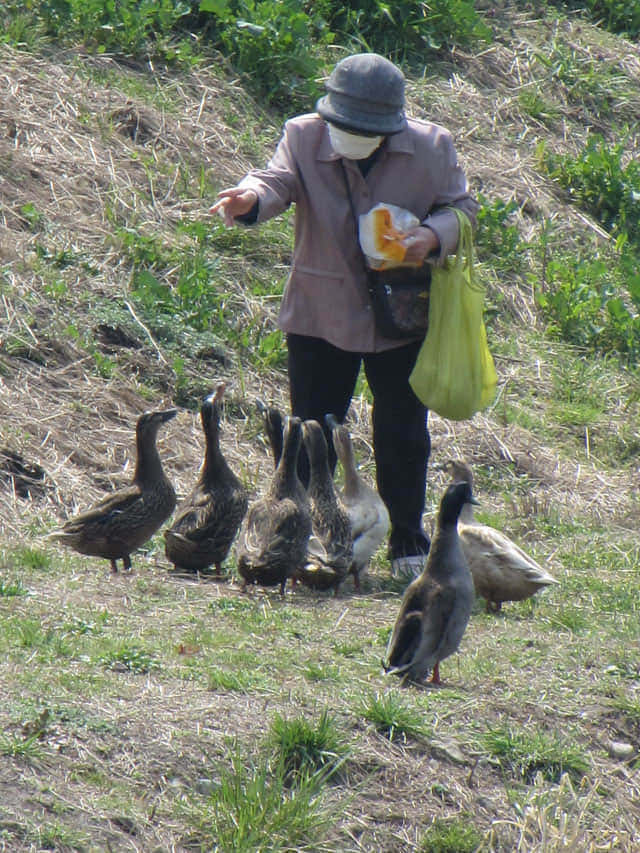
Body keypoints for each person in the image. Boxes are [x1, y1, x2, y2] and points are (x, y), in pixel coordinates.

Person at [210, 53, 478, 580]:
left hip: (400, 315)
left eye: (365, 130)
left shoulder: (432, 146)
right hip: (319, 312)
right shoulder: (304, 135)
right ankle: (308, 538)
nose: (350, 137)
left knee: (402, 430)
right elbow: (275, 181)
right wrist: (249, 199)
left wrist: (430, 236)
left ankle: (407, 539)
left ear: (392, 125)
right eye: (343, 127)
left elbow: (461, 209)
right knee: (311, 431)